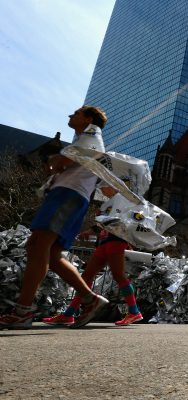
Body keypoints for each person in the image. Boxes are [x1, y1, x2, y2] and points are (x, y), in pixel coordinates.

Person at [0, 106, 109, 329]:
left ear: (88, 119)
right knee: (49, 252)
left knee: (38, 245)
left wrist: (55, 159)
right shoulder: (84, 138)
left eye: (76, 113)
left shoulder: (91, 135)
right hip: (70, 195)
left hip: (68, 194)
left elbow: (65, 161)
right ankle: (90, 299)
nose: (71, 116)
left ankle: (23, 311)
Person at [42, 186, 143, 326]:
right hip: (103, 242)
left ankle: (134, 311)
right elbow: (103, 224)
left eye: (104, 186)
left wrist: (91, 230)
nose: (101, 189)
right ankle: (69, 313)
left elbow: (116, 221)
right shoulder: (109, 203)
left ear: (114, 186)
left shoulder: (122, 201)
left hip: (116, 241)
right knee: (86, 277)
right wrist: (90, 231)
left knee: (118, 275)